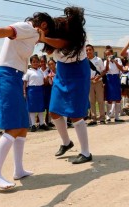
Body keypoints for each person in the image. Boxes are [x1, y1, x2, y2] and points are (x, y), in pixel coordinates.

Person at [0, 11, 55, 189]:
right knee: (14, 126)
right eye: (44, 26)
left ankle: (19, 169)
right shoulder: (28, 28)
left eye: (46, 30)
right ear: (38, 22)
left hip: (15, 78)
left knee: (23, 126)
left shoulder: (32, 36)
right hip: (6, 77)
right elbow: (6, 30)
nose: (43, 31)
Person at [39, 7, 92, 164]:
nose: (66, 23)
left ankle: (86, 152)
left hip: (78, 72)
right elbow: (50, 46)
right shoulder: (58, 26)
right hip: (62, 71)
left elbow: (62, 43)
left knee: (75, 114)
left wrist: (43, 38)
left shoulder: (77, 38)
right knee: (54, 111)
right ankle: (66, 142)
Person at [23, 54, 49, 132]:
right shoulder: (28, 71)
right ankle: (33, 125)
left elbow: (44, 81)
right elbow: (25, 82)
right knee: (32, 108)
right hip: (32, 91)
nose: (35, 63)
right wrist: (24, 92)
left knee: (41, 108)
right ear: (31, 63)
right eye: (34, 62)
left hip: (40, 90)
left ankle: (41, 124)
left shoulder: (40, 71)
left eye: (37, 62)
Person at [86, 44, 106, 125]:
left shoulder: (98, 60)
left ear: (93, 50)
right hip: (89, 83)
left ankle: (102, 118)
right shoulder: (84, 61)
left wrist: (98, 77)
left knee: (100, 100)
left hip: (98, 82)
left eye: (90, 50)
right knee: (91, 101)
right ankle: (93, 119)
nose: (88, 51)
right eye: (86, 50)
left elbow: (104, 71)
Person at [104, 47, 125, 122]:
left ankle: (117, 117)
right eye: (107, 55)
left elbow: (121, 68)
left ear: (112, 54)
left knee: (118, 98)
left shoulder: (118, 59)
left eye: (109, 54)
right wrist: (108, 61)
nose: (108, 56)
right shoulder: (106, 61)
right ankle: (108, 116)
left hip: (116, 78)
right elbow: (106, 70)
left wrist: (115, 61)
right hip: (109, 78)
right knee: (109, 99)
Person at [39, 55, 52, 127]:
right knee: (41, 105)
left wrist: (47, 80)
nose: (42, 63)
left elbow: (50, 80)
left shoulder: (49, 70)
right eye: (41, 62)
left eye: (44, 61)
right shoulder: (38, 71)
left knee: (49, 105)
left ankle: (48, 121)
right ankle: (40, 121)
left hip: (48, 89)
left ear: (46, 62)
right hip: (41, 89)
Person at [46, 58, 56, 127]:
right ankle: (51, 121)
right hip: (54, 91)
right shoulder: (49, 74)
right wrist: (48, 78)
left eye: (52, 64)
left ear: (55, 64)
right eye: (49, 64)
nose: (51, 65)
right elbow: (50, 83)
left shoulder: (60, 72)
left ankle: (67, 120)